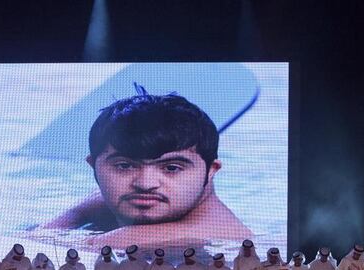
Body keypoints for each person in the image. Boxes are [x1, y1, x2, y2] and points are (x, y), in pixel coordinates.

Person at [38, 90, 251, 249]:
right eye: (124, 166)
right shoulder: (114, 200)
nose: (145, 184)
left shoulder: (218, 234)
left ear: (211, 170)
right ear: (94, 167)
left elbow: (35, 242)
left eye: (171, 168)